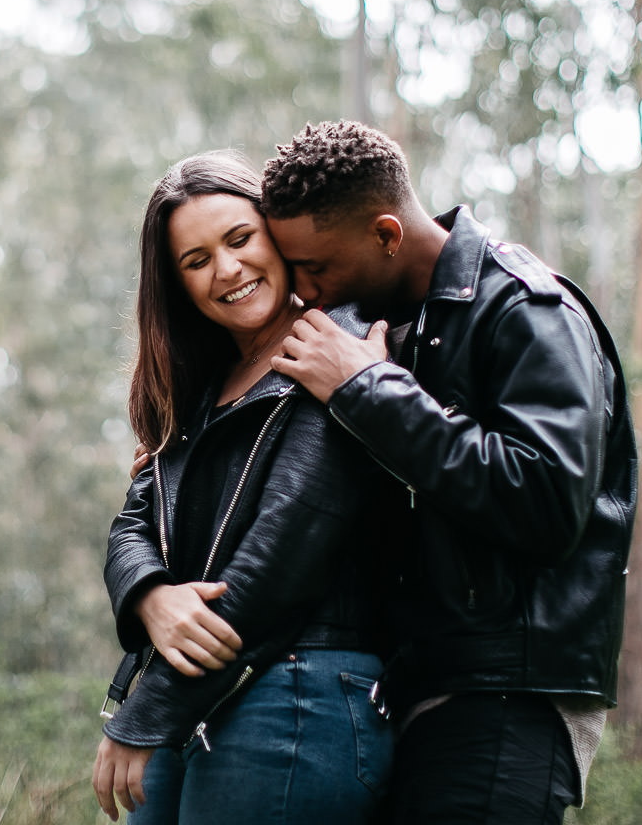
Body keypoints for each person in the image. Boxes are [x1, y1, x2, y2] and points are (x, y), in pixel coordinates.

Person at [261, 120, 636, 825]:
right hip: (410, 689)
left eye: (316, 267)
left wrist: (368, 390)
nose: (305, 292)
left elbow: (546, 501)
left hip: (507, 695)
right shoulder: (389, 325)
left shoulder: (527, 306)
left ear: (386, 234)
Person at [92, 151, 394, 824]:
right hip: (201, 688)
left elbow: (285, 547)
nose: (227, 270)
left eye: (239, 239)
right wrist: (150, 597)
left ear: (277, 233)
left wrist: (148, 710)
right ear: (176, 283)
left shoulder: (335, 341)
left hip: (298, 688)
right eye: (196, 260)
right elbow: (134, 522)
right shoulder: (200, 387)